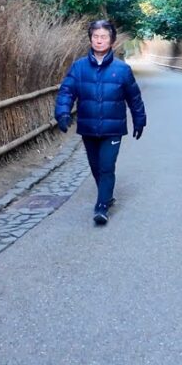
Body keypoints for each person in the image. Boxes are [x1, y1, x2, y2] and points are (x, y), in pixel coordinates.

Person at [54, 19, 146, 226]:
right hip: (88, 127)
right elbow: (66, 92)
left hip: (113, 128)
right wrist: (62, 113)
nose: (99, 40)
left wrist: (140, 120)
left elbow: (134, 98)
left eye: (104, 37)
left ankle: (102, 206)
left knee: (106, 166)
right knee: (95, 166)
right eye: (95, 36)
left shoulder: (122, 69)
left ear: (111, 40)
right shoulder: (79, 67)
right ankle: (107, 195)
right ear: (90, 39)